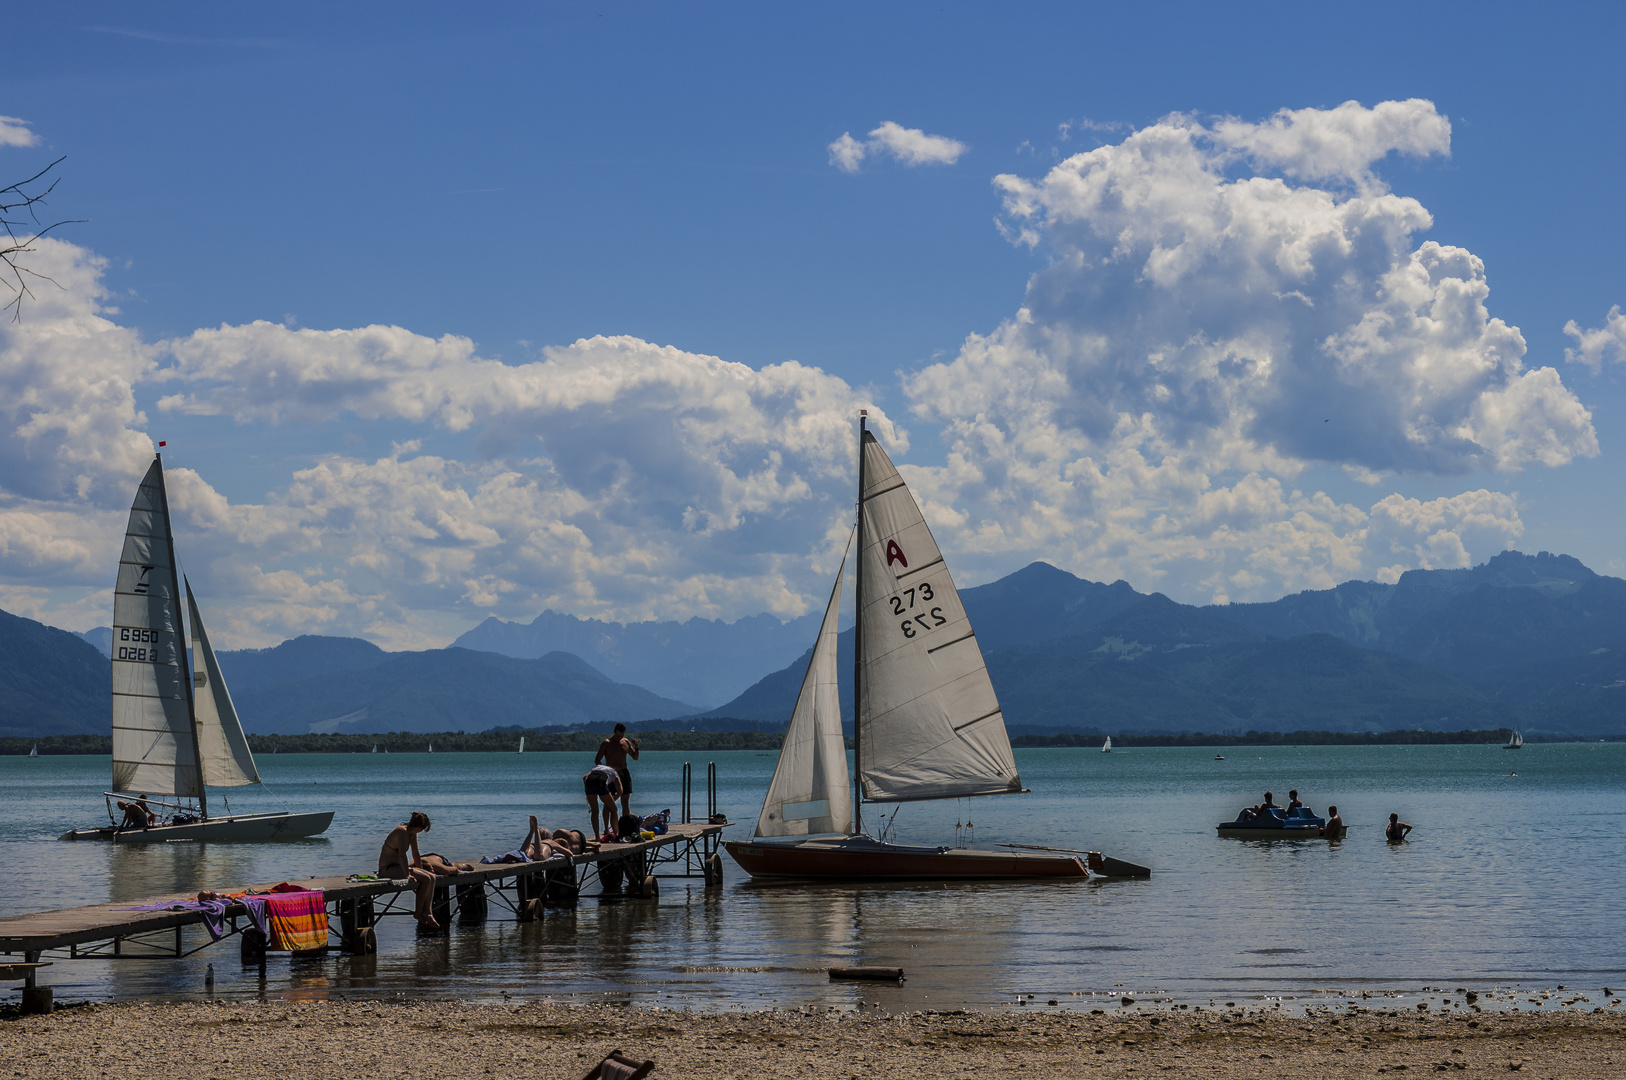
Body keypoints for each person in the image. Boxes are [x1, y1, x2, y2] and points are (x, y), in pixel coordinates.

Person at [379, 811, 441, 930]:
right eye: (422, 829)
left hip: (398, 868)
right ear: (418, 827)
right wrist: (407, 875)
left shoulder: (412, 833)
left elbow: (415, 853)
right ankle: (418, 913)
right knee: (426, 879)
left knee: (431, 877)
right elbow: (402, 855)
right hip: (387, 869)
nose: (421, 831)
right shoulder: (402, 831)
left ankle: (428, 912)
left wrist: (421, 869)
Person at [595, 723, 640, 819]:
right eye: (618, 735)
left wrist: (636, 747)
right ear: (614, 732)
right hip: (611, 775)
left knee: (625, 800)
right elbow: (597, 760)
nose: (620, 737)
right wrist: (607, 769)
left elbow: (635, 757)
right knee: (609, 802)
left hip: (623, 773)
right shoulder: (606, 743)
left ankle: (626, 825)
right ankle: (607, 828)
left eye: (622, 735)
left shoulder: (626, 742)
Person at [583, 764, 624, 838]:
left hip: (588, 782)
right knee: (614, 810)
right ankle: (616, 835)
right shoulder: (614, 773)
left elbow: (585, 777)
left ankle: (597, 837)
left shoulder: (598, 767)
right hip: (600, 781)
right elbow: (620, 791)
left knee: (595, 812)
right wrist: (612, 801)